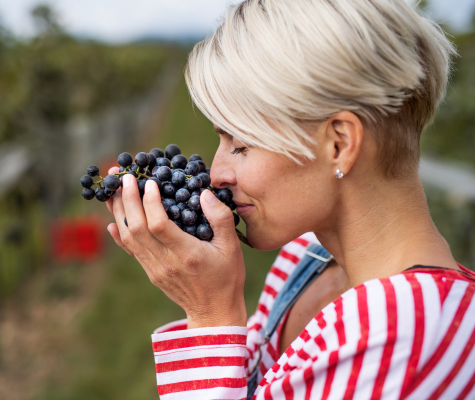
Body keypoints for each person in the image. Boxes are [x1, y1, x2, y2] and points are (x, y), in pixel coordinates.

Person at [105, 0, 475, 398]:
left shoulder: (405, 334)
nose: (216, 174)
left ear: (340, 143)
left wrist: (211, 315)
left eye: (241, 143)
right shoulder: (306, 257)